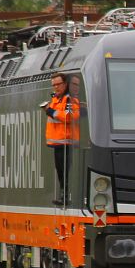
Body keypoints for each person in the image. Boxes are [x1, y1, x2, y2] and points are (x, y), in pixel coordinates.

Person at [44, 72, 81, 205]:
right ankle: (63, 195)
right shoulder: (56, 99)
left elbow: (69, 117)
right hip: (57, 142)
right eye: (53, 85)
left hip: (66, 142)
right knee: (60, 172)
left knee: (65, 172)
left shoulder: (69, 100)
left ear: (65, 84)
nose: (55, 87)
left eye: (58, 84)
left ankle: (65, 196)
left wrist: (50, 111)